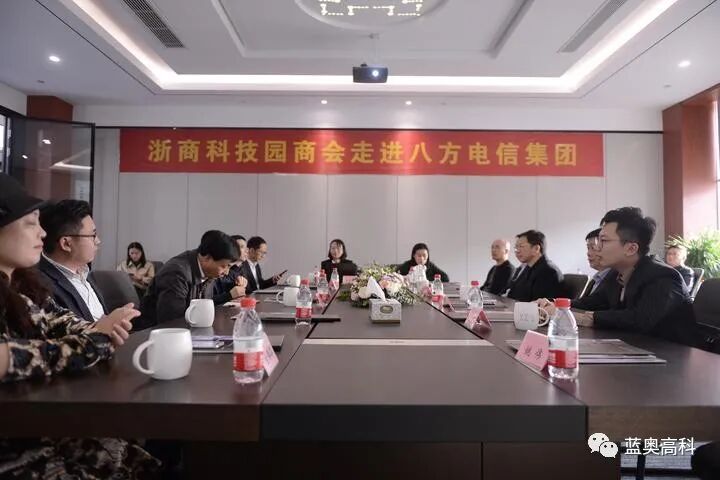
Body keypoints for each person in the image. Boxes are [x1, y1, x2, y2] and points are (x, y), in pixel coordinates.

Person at [0, 173, 159, 477]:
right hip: (19, 448)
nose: (42, 233)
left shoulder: (23, 287)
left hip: (46, 425)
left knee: (142, 461)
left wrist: (103, 329)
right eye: (30, 223)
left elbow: (61, 321)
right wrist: (94, 340)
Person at [538, 207, 699, 347]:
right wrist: (554, 305)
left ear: (631, 248)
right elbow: (592, 303)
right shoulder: (616, 273)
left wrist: (580, 318)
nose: (597, 248)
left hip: (672, 359)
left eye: (603, 241)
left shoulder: (663, 277)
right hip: (632, 349)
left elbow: (638, 320)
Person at [140, 230, 239, 329]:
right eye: (224, 266)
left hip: (190, 329)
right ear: (207, 257)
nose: (226, 272)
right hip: (153, 332)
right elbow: (172, 322)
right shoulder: (176, 273)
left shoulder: (210, 272)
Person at [37, 199, 108, 322]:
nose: (98, 241)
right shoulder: (41, 286)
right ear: (66, 244)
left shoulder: (84, 273)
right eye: (93, 235)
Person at [507, 230, 564, 301]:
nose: (517, 251)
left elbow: (538, 304)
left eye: (521, 246)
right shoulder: (527, 268)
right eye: (516, 247)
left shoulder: (548, 271)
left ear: (536, 249)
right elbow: (513, 294)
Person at [212, 234, 249, 304]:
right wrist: (230, 295)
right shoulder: (211, 272)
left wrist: (238, 285)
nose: (247, 250)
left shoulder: (238, 268)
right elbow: (207, 300)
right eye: (242, 247)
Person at [580, 228, 612, 298]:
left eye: (593, 248)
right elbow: (585, 302)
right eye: (588, 248)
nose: (588, 253)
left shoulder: (615, 279)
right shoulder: (596, 278)